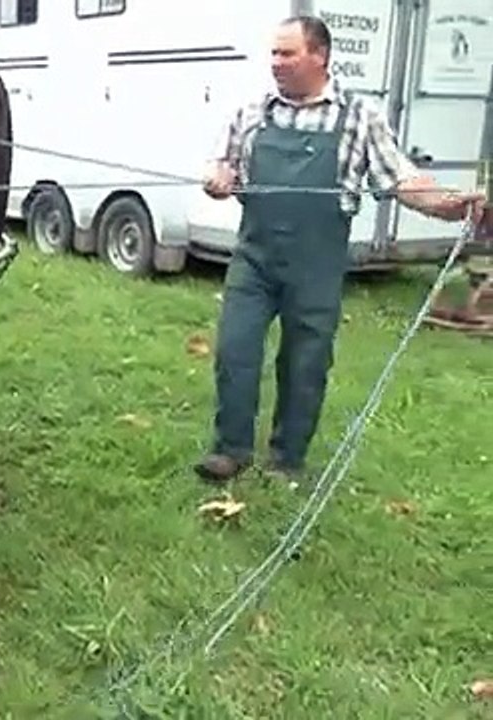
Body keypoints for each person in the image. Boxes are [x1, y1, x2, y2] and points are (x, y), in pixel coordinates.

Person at [194, 15, 487, 483]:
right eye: (273, 53)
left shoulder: (357, 117)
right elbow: (220, 164)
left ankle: (286, 460)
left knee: (306, 363)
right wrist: (218, 179)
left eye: (287, 53)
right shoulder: (253, 112)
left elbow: (403, 181)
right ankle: (230, 450)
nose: (276, 63)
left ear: (320, 56)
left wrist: (453, 208)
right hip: (254, 259)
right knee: (235, 350)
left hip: (317, 267)